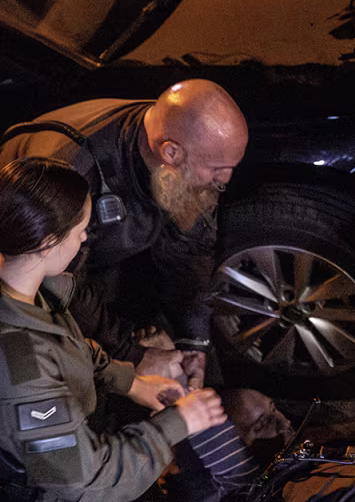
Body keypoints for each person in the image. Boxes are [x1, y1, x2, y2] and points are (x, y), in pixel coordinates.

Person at [0, 156, 228, 500]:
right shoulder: (19, 362)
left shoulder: (30, 295)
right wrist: (178, 423)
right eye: (80, 232)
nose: (83, 241)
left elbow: (66, 348)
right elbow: (87, 483)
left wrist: (129, 381)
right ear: (48, 242)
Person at [0, 79, 249, 388]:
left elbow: (190, 250)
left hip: (96, 258)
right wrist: (131, 354)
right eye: (217, 168)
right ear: (170, 152)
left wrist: (194, 342)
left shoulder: (181, 144)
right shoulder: (72, 167)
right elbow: (59, 284)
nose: (225, 180)